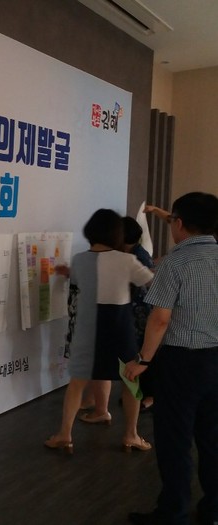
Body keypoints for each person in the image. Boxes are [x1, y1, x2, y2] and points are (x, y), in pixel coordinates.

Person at [126, 192, 218, 525]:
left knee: (175, 441)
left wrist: (143, 360)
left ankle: (173, 513)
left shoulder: (175, 262)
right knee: (213, 440)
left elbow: (160, 319)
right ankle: (213, 510)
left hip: (183, 363)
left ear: (178, 223)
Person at [45, 209, 154, 454]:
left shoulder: (80, 260)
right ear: (117, 234)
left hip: (89, 324)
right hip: (119, 325)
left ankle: (65, 434)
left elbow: (81, 279)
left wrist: (67, 272)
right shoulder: (126, 260)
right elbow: (151, 282)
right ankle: (131, 435)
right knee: (131, 381)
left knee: (77, 382)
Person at [122, 216, 155, 412]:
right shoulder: (134, 253)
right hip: (137, 311)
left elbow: (147, 283)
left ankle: (147, 396)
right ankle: (136, 395)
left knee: (142, 355)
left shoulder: (137, 257)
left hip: (141, 312)